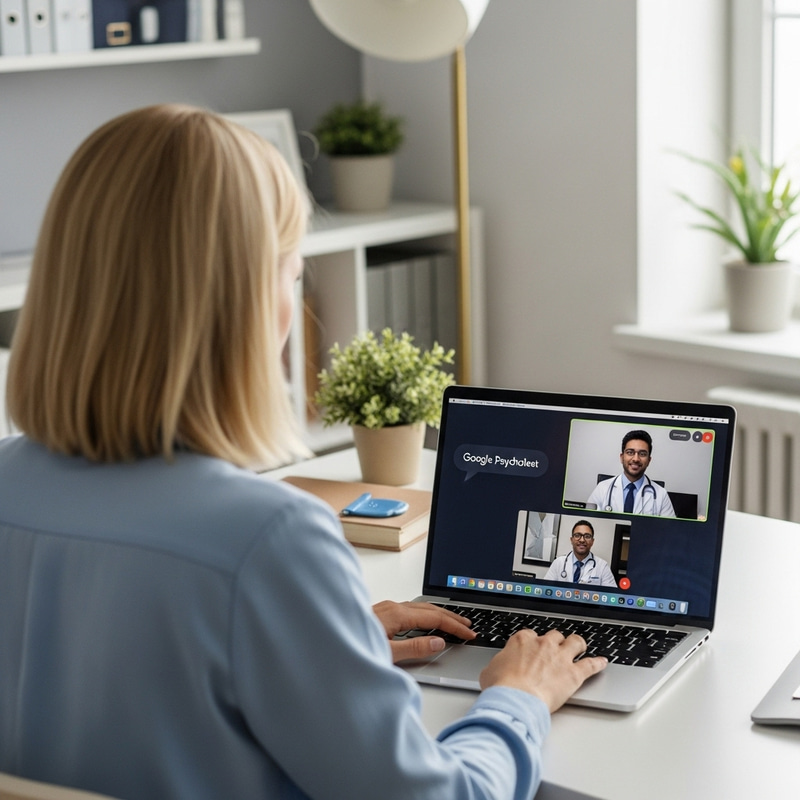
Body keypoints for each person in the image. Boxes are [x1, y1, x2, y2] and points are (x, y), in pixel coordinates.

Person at [0, 105, 606, 800]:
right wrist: (521, 698)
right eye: (292, 272)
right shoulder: (267, 542)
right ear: (247, 304)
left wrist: (325, 648)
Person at [586, 429, 676, 517]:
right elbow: (587, 522)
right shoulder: (602, 488)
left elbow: (669, 530)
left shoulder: (661, 494)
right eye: (630, 452)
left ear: (649, 460)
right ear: (622, 457)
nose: (636, 459)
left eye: (642, 454)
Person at [543, 520, 617, 587]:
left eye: (587, 536)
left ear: (592, 541)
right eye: (577, 535)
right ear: (571, 540)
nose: (582, 540)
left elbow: (611, 597)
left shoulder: (602, 566)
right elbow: (546, 589)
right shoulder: (558, 563)